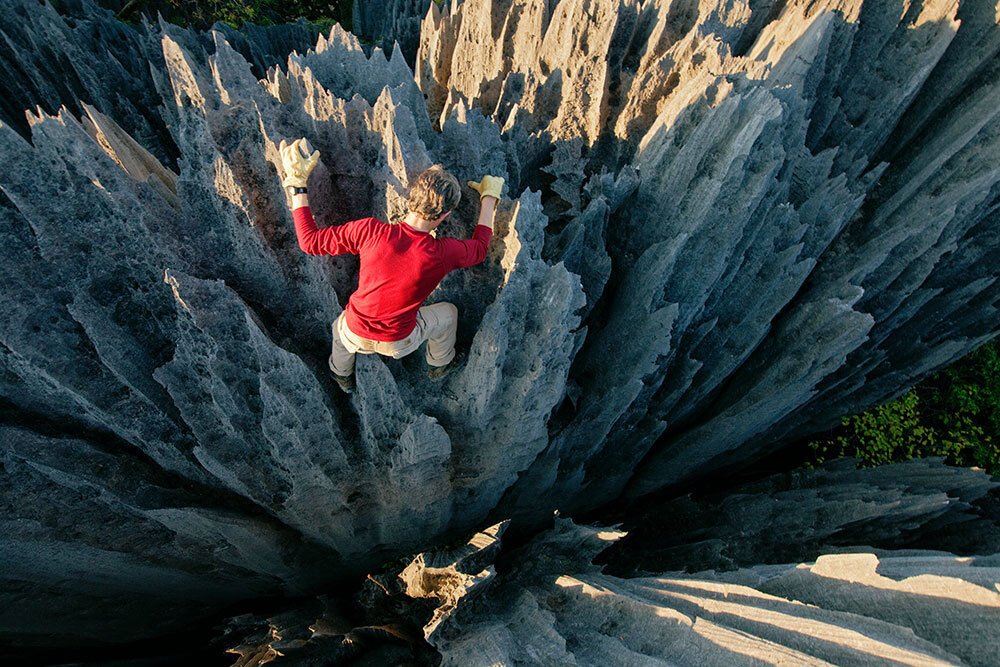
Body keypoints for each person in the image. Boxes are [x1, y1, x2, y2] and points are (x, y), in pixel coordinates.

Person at [279, 138, 503, 393]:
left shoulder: (370, 231)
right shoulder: (443, 253)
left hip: (355, 332)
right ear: (445, 216)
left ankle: (341, 375)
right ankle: (439, 364)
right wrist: (489, 198)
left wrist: (297, 184)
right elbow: (481, 248)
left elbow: (309, 242)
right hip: (399, 342)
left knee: (339, 333)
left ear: (412, 198)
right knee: (448, 314)